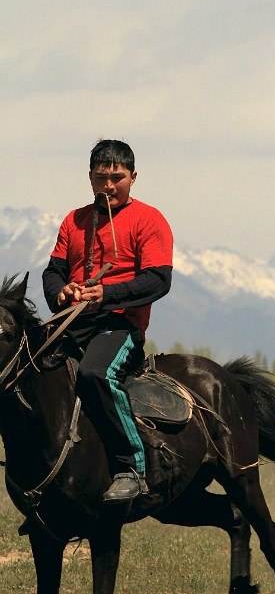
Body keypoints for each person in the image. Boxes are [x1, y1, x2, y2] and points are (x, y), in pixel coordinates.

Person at [42, 139, 173, 502]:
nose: (109, 185)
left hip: (119, 324)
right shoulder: (74, 220)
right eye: (102, 177)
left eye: (117, 177)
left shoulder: (149, 219)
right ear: (90, 178)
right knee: (24, 365)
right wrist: (61, 292)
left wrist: (108, 295)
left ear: (133, 177)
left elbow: (159, 279)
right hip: (73, 321)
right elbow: (53, 271)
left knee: (94, 374)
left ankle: (132, 466)